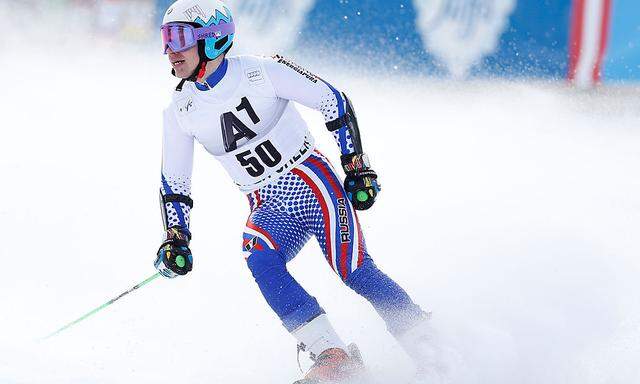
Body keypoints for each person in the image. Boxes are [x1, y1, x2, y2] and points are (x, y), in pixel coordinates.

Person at [154, 0, 440, 382]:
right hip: (269, 204)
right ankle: (332, 355)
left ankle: (430, 345)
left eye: (180, 38)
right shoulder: (180, 110)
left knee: (353, 269)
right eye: (166, 38)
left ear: (212, 40)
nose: (171, 50)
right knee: (258, 256)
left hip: (314, 185)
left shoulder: (261, 71)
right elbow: (175, 185)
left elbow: (332, 100)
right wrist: (176, 238)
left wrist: (355, 165)